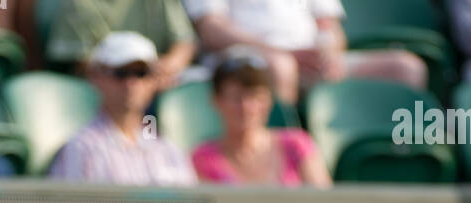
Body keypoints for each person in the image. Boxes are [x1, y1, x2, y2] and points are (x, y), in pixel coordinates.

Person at [184, 0, 429, 106]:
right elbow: (212, 29)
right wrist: (281, 53)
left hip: (311, 61)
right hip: (248, 59)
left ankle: (402, 162)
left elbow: (330, 27)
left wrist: (329, 54)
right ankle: (286, 155)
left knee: (406, 68)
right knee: (281, 67)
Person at [48, 30, 197, 184]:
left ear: (154, 80)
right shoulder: (81, 148)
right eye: (121, 73)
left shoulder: (168, 151)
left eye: (141, 73)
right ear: (96, 77)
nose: (131, 83)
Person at [193, 46, 332, 184]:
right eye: (235, 97)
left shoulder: (297, 145)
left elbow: (326, 202)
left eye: (255, 96)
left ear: (269, 100)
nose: (246, 107)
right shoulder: (203, 158)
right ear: (217, 100)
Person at [46, 0, 197, 87]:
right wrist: (135, 74)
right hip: (107, 92)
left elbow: (184, 41)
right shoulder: (79, 4)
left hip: (157, 86)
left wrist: (166, 68)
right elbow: (82, 63)